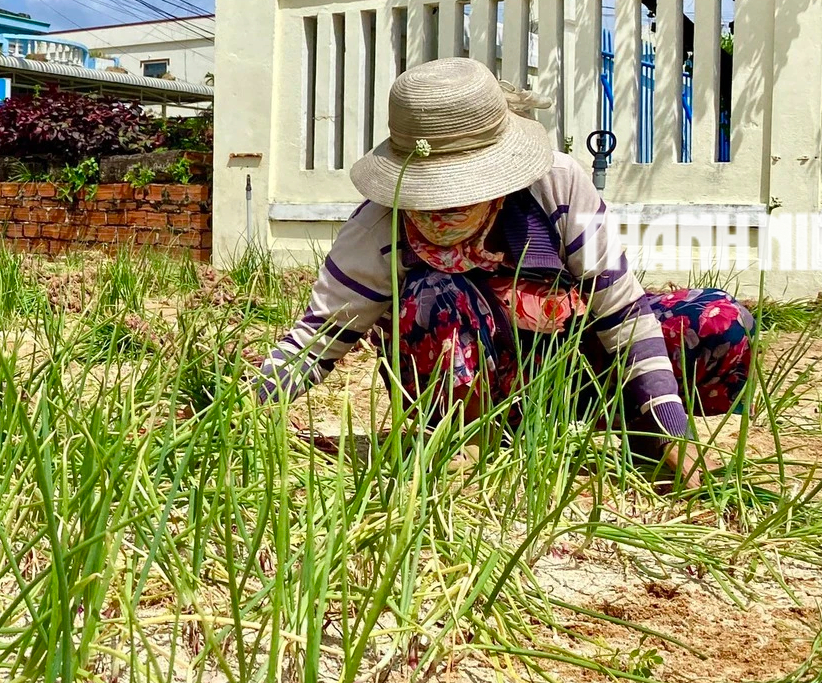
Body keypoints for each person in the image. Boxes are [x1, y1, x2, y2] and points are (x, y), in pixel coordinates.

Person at [256, 58, 753, 487]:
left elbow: (622, 312)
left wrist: (674, 433)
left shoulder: (556, 186)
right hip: (467, 389)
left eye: (462, 189)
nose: (442, 210)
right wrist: (243, 405)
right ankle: (466, 445)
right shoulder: (376, 227)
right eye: (430, 192)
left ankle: (640, 434)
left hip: (568, 375)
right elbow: (318, 338)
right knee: (433, 293)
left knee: (721, 322)